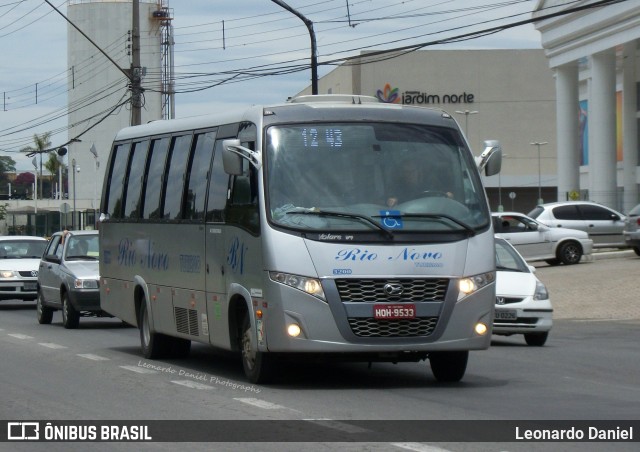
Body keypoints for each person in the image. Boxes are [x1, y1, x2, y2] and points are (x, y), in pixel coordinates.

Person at [386, 159, 453, 207]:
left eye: (412, 171)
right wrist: (391, 201)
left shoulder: (430, 183)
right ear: (402, 174)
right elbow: (388, 199)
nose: (410, 175)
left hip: (433, 216)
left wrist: (448, 196)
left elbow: (444, 194)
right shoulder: (398, 187)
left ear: (418, 171)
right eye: (406, 172)